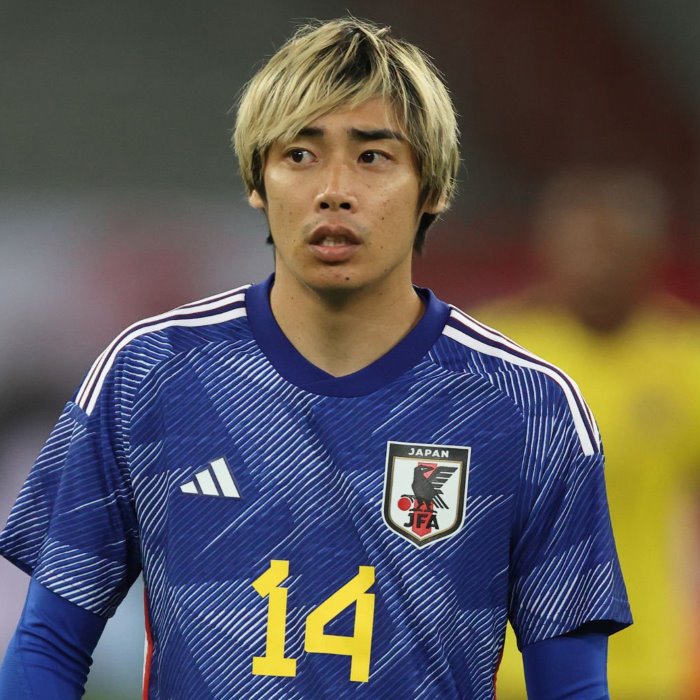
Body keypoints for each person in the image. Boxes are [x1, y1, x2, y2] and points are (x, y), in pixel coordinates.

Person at [0, 18, 631, 699]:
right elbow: (47, 647)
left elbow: (571, 688)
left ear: (434, 188)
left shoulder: (529, 407)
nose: (334, 189)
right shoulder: (149, 373)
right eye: (299, 154)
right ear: (257, 180)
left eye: (373, 156)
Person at [477, 169, 700, 699]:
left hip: (647, 667)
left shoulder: (685, 359)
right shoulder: (496, 356)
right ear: (548, 250)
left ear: (650, 255)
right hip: (515, 666)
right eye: (581, 246)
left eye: (614, 247)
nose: (597, 264)